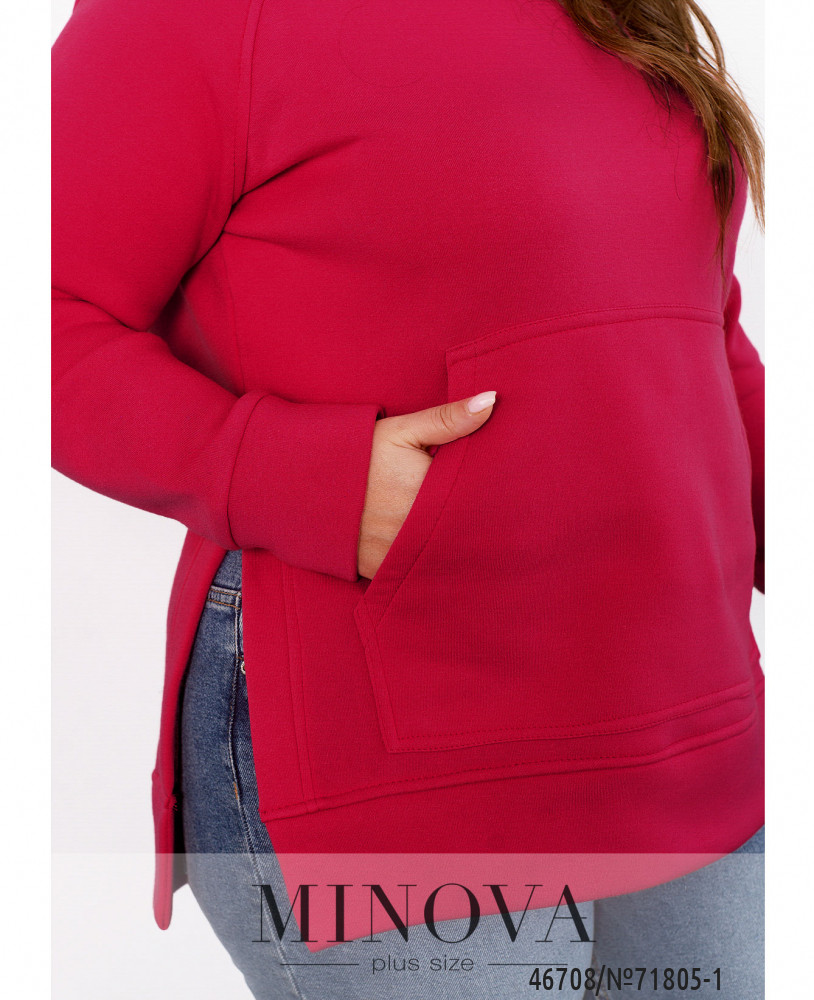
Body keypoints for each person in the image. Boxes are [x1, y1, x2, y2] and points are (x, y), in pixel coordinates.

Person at [52, 1, 765, 997]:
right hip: (399, 763)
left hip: (687, 732)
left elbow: (694, 328)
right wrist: (310, 479)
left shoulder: (620, 9)